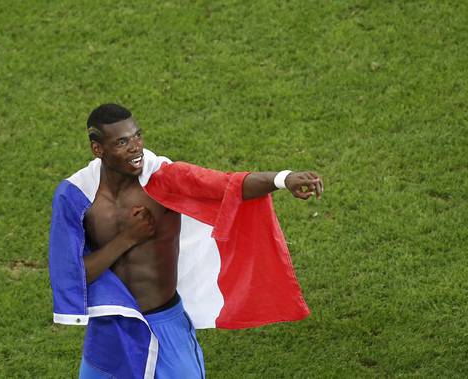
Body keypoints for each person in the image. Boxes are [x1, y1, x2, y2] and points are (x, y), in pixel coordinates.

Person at [48, 103, 323, 379]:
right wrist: (127, 238)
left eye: (137, 136)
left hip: (166, 323)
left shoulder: (164, 179)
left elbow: (226, 185)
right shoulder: (76, 197)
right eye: (122, 142)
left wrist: (283, 179)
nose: (136, 147)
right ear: (98, 149)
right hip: (110, 328)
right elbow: (73, 276)